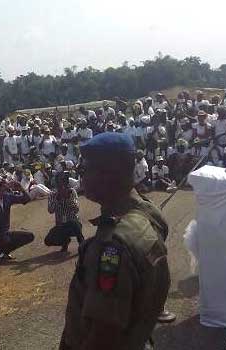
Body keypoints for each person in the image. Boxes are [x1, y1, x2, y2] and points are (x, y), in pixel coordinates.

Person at [61, 132, 170, 350]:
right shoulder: (149, 213)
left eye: (86, 170)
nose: (82, 177)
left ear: (110, 175)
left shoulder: (112, 247)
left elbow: (103, 337)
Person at [0, 178, 34, 265]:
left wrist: (21, 188)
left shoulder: (7, 197)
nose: (2, 187)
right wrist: (0, 193)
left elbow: (27, 199)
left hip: (4, 233)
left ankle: (5, 251)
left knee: (29, 236)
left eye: (3, 185)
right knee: (2, 239)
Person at [45, 172, 83, 252]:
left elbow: (76, 209)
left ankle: (81, 243)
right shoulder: (52, 194)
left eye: (63, 183)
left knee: (73, 222)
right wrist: (57, 199)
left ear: (66, 183)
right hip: (60, 224)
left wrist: (68, 198)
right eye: (59, 183)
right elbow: (50, 210)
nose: (61, 186)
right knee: (48, 241)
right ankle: (65, 242)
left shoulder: (72, 192)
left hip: (73, 225)